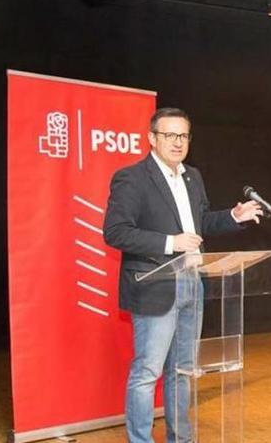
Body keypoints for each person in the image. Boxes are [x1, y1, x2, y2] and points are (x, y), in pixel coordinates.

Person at [103, 107, 262, 443]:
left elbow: (199, 225)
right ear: (152, 138)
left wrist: (233, 216)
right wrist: (169, 243)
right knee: (147, 372)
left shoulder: (192, 177)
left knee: (183, 371)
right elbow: (115, 232)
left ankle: (182, 439)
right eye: (169, 135)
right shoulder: (131, 178)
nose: (178, 142)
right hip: (155, 285)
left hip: (193, 283)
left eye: (184, 135)